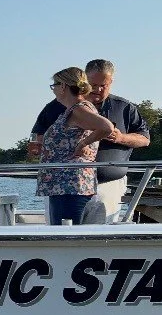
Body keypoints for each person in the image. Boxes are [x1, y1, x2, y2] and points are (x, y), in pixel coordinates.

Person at [30, 59, 150, 220]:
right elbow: (37, 134)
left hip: (98, 185)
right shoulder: (56, 107)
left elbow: (144, 138)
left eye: (104, 85)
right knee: (72, 234)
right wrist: (39, 146)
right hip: (65, 186)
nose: (98, 89)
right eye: (93, 84)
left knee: (85, 236)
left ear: (111, 82)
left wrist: (120, 138)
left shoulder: (123, 107)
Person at [36, 67, 115, 225]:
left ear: (63, 86)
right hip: (70, 185)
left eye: (55, 86)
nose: (54, 91)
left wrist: (84, 142)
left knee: (65, 238)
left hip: (68, 186)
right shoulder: (80, 108)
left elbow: (107, 127)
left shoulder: (78, 110)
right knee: (72, 238)